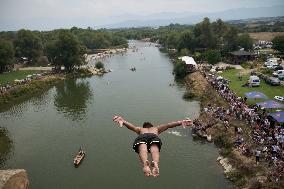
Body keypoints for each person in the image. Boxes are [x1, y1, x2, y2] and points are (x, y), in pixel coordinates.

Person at [113, 115, 192, 177]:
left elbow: (132, 127)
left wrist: (123, 121)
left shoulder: (140, 129)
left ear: (144, 127)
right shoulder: (156, 128)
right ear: (151, 126)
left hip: (142, 136)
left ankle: (145, 164)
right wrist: (180, 122)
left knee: (142, 150)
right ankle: (155, 163)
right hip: (153, 136)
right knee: (155, 150)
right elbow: (168, 125)